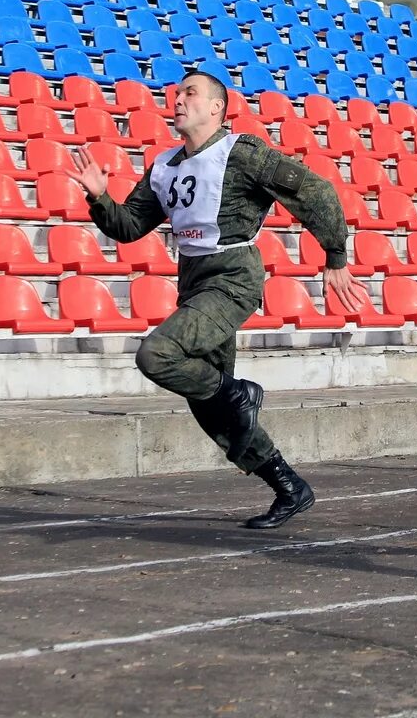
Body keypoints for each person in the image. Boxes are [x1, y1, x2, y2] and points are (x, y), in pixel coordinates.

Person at [67, 70, 367, 528]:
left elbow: (315, 191)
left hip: (233, 277)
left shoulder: (241, 153)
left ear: (216, 108)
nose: (178, 98)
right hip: (193, 280)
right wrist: (100, 197)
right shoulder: (165, 166)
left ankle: (238, 394)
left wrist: (336, 256)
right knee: (212, 409)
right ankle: (289, 486)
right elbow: (128, 227)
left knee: (158, 354)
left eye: (190, 92)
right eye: (176, 90)